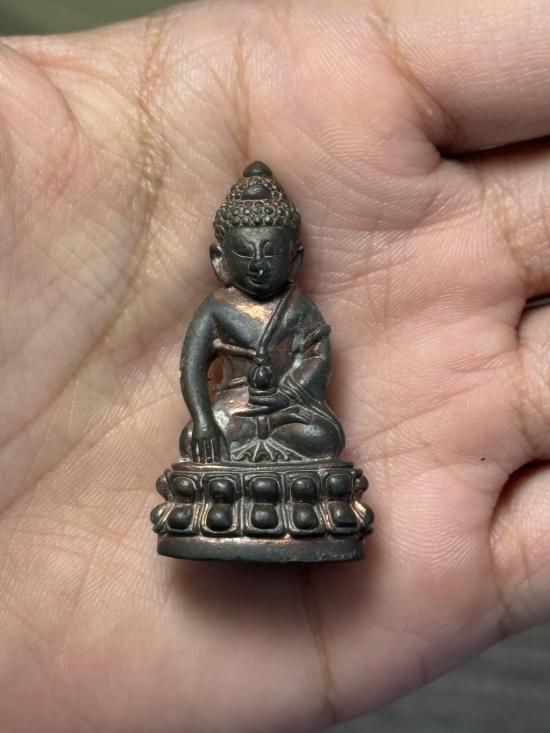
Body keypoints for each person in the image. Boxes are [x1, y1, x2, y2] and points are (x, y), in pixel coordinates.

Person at [1, 1, 550, 730]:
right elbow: (194, 372)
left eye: (272, 253)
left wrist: (290, 393)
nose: (259, 264)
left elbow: (317, 357)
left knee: (323, 440)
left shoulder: (300, 308)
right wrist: (207, 418)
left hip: (289, 417)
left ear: (296, 255)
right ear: (219, 257)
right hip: (233, 417)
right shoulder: (217, 309)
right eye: (246, 253)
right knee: (215, 442)